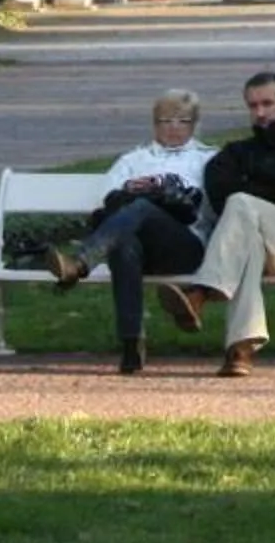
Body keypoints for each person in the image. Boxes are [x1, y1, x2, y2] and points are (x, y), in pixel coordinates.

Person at [167, 70, 275, 377]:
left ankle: (201, 293)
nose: (260, 112)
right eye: (253, 106)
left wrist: (253, 179)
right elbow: (219, 192)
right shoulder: (236, 151)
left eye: (267, 103)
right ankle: (240, 351)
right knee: (247, 240)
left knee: (242, 203)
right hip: (248, 239)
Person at [42, 90, 216, 375]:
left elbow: (209, 209)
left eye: (182, 120)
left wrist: (168, 195)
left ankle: (80, 263)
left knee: (144, 207)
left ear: (194, 124)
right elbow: (104, 203)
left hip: (183, 244)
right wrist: (131, 192)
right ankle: (131, 343)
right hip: (137, 244)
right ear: (154, 124)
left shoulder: (206, 159)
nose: (173, 127)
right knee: (124, 244)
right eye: (165, 120)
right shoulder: (132, 160)